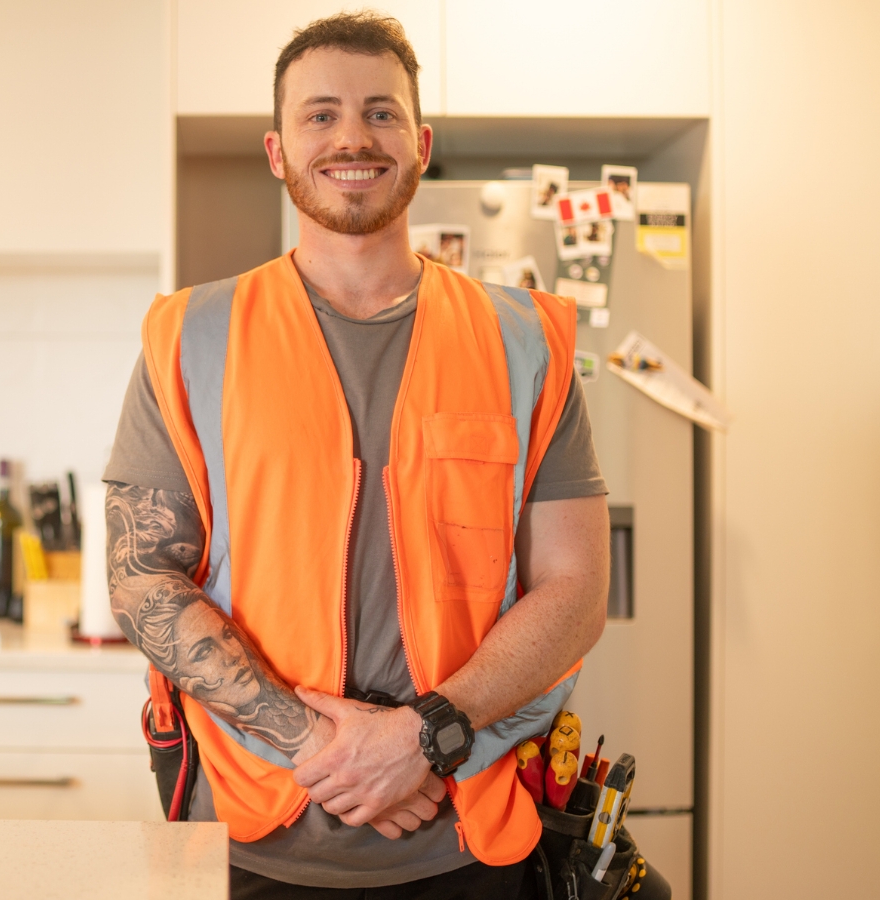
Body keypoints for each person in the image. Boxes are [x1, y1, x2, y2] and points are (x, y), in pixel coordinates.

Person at [104, 12, 611, 898]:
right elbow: (142, 574)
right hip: (245, 831)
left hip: (470, 833)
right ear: (277, 149)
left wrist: (419, 738)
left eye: (381, 113)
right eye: (320, 114)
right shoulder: (189, 338)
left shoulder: (525, 342)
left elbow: (575, 591)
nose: (351, 137)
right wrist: (320, 746)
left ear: (419, 144)